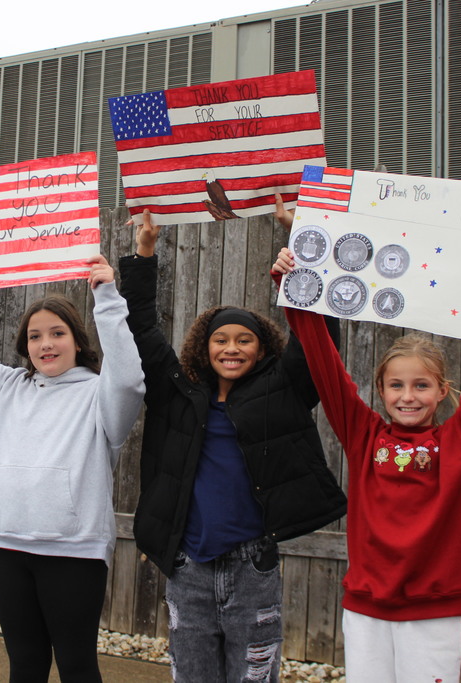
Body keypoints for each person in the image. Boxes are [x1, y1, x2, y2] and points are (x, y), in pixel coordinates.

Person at [273, 236, 461, 683]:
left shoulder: (460, 442)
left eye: (421, 386)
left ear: (442, 391)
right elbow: (323, 360)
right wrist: (294, 285)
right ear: (380, 389)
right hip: (365, 609)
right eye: (396, 385)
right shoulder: (364, 435)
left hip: (433, 612)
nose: (407, 396)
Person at [119, 208, 346, 682]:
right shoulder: (176, 394)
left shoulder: (283, 392)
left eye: (245, 340)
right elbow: (140, 327)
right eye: (221, 339)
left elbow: (320, 339)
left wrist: (303, 243)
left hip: (253, 568)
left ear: (262, 348)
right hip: (189, 567)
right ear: (204, 347)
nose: (232, 348)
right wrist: (145, 250)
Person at [0, 232, 145, 682]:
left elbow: (131, 379)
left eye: (57, 333)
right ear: (25, 345)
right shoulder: (2, 389)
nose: (46, 344)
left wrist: (107, 299)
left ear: (78, 340)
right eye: (35, 336)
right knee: (25, 665)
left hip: (74, 550)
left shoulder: (102, 396)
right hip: (4, 545)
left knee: (77, 666)